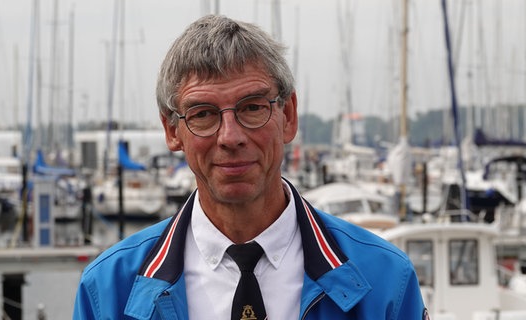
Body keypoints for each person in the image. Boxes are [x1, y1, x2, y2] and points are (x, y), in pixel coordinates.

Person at [73, 14, 427, 319]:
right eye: (203, 115)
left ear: (287, 116)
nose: (230, 136)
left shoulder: (384, 282)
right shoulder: (108, 291)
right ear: (172, 131)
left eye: (252, 108)